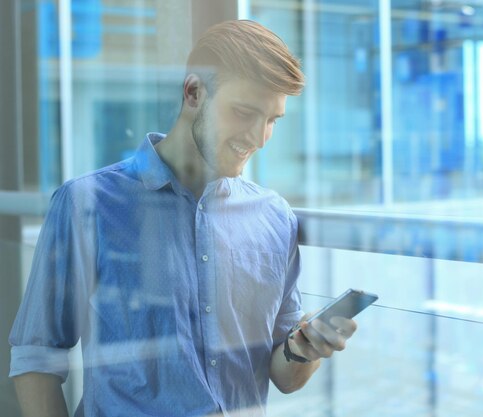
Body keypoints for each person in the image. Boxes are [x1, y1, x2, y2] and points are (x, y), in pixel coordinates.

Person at [9, 20, 357, 417]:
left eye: (273, 120)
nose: (260, 138)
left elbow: (283, 376)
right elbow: (36, 358)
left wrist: (303, 348)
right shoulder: (85, 203)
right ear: (193, 92)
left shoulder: (275, 217)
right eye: (245, 112)